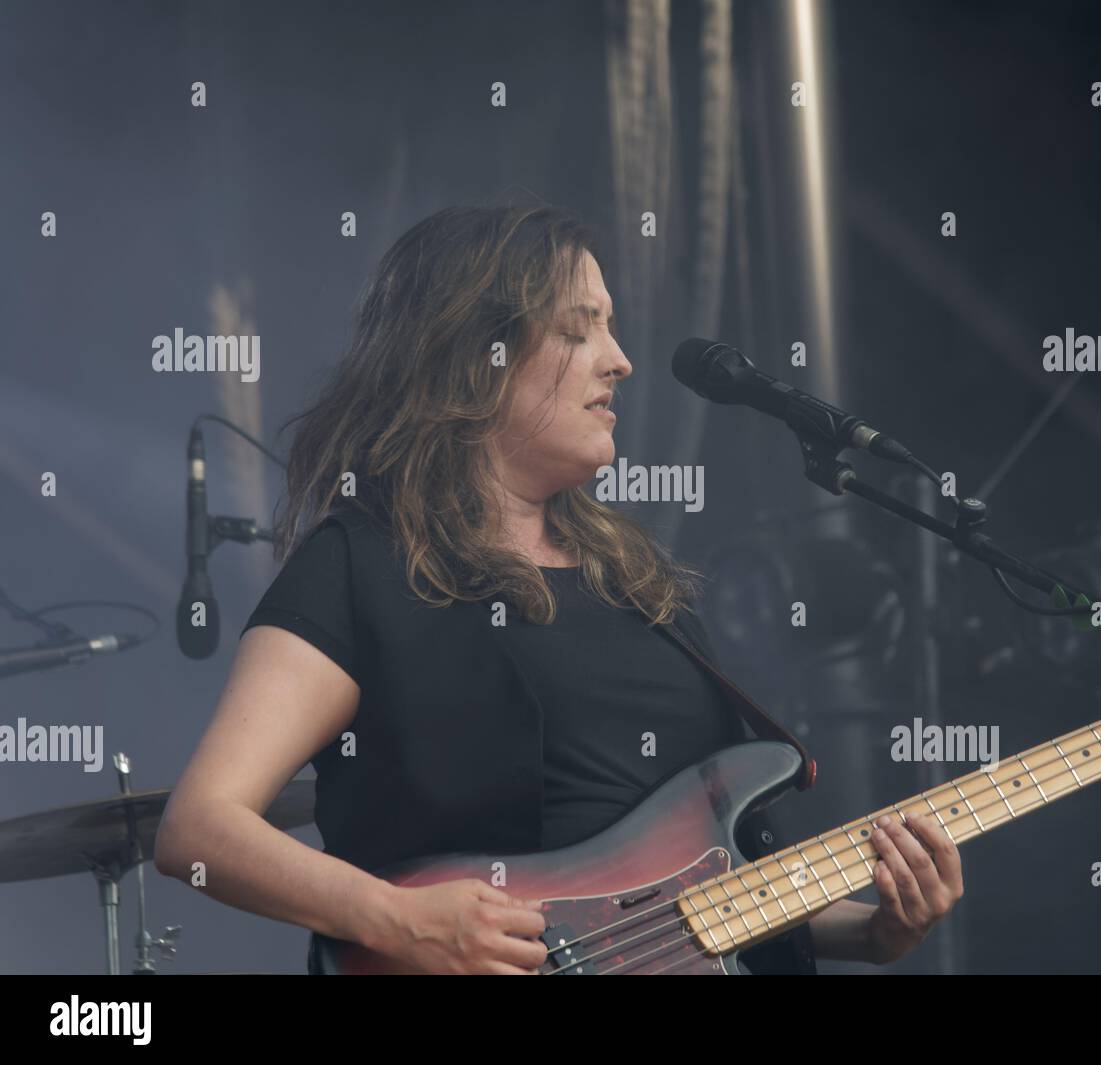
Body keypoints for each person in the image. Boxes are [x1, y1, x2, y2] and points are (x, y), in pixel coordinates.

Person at [154, 202, 963, 974]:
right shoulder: (361, 564)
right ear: (477, 359)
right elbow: (198, 830)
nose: (621, 359)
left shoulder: (638, 583)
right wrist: (398, 919)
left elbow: (694, 904)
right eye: (579, 330)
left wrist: (875, 932)